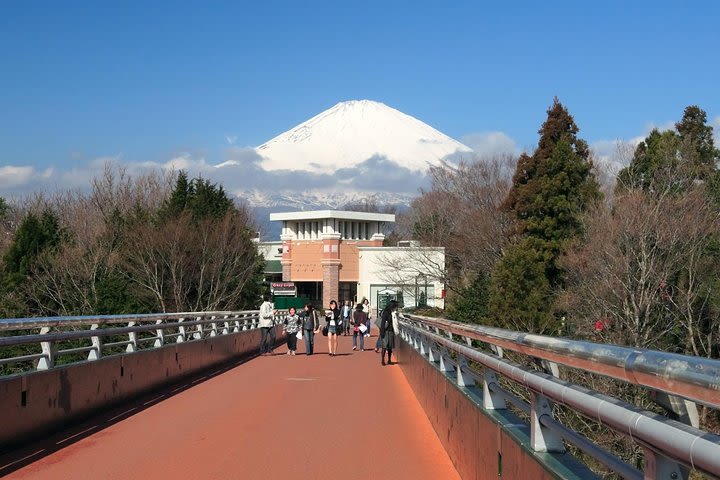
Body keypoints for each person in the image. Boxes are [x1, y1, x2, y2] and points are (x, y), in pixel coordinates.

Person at [379, 300, 399, 366]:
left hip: (391, 330)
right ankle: (382, 360)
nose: (396, 308)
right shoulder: (386, 312)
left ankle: (389, 360)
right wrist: (382, 332)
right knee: (384, 346)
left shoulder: (393, 312)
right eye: (395, 306)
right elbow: (383, 322)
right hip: (386, 331)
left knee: (390, 347)